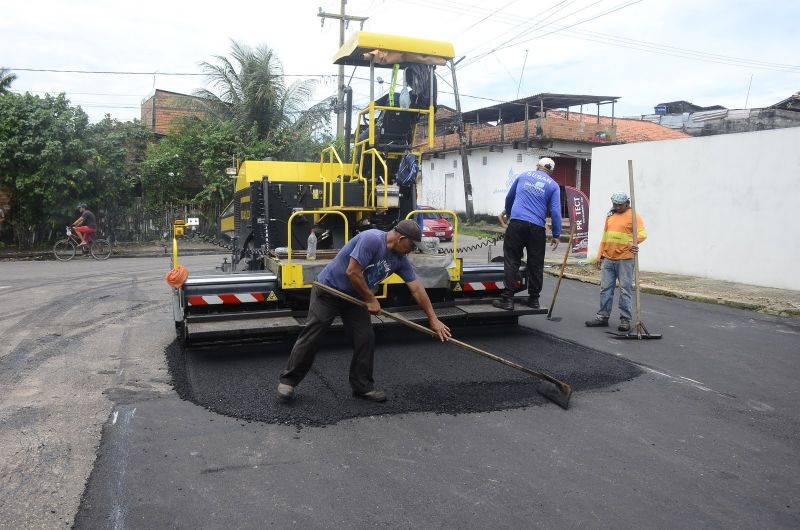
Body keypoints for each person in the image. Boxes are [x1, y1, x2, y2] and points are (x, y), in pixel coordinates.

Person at [277, 219, 451, 402]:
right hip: (329, 290)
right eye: (412, 245)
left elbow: (416, 289)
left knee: (365, 338)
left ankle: (362, 387)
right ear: (401, 238)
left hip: (355, 298)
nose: (412, 250)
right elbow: (352, 272)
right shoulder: (372, 239)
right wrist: (371, 299)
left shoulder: (400, 259)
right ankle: (288, 381)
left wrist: (433, 319)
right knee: (313, 333)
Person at [493, 157, 561, 311]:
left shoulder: (523, 176)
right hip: (537, 228)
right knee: (536, 264)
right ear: (551, 171)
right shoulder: (554, 186)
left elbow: (509, 198)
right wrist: (556, 234)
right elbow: (556, 212)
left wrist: (510, 216)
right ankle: (534, 299)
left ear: (538, 166)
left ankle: (508, 299)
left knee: (512, 260)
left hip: (517, 224)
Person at [585, 192, 647, 332]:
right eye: (615, 204)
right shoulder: (610, 215)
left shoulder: (634, 216)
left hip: (625, 259)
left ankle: (625, 319)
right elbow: (605, 236)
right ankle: (602, 317)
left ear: (627, 203)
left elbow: (643, 233)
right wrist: (600, 255)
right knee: (605, 289)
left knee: (625, 290)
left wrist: (633, 242)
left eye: (621, 204)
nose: (618, 207)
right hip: (608, 258)